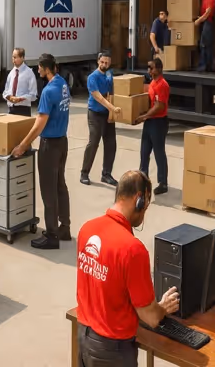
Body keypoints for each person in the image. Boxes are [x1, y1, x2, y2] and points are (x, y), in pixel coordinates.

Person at [76, 171, 180, 366]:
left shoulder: (87, 229)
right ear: (139, 199)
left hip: (83, 337)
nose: (145, 212)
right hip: (112, 351)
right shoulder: (132, 250)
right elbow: (150, 317)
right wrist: (163, 307)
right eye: (146, 206)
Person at [12, 54, 71, 250]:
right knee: (60, 185)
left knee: (48, 191)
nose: (38, 71)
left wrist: (22, 145)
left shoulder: (48, 91)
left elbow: (39, 124)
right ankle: (65, 228)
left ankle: (52, 235)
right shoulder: (63, 84)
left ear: (46, 69)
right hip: (63, 142)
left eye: (39, 68)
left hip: (50, 145)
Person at [81, 53, 121, 187]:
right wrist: (112, 108)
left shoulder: (109, 74)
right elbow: (98, 97)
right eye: (102, 62)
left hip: (108, 114)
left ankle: (106, 174)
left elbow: (113, 92)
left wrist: (115, 107)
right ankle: (84, 173)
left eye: (107, 63)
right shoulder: (92, 78)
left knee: (111, 144)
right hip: (95, 114)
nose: (104, 65)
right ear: (98, 61)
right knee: (93, 143)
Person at [135, 58, 170, 195]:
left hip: (158, 123)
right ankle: (143, 181)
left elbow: (159, 106)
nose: (148, 70)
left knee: (159, 153)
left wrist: (144, 116)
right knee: (144, 152)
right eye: (148, 67)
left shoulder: (162, 85)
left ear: (159, 69)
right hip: (150, 122)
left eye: (151, 68)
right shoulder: (152, 83)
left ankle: (163, 183)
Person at [1, 47, 37, 117]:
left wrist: (20, 98)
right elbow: (5, 92)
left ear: (22, 58)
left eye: (15, 57)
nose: (13, 59)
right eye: (12, 57)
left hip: (23, 110)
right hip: (11, 109)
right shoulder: (11, 73)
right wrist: (9, 97)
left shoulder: (29, 73)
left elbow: (33, 95)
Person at [196, 0, 215, 72]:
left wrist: (198, 20)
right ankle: (208, 67)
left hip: (207, 22)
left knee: (204, 44)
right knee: (206, 45)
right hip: (204, 22)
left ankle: (203, 67)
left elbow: (208, 12)